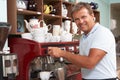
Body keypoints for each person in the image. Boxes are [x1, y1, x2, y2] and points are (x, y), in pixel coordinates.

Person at [48, 2, 117, 80]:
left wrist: (62, 53)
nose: (80, 21)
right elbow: (88, 63)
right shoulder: (83, 37)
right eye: (76, 19)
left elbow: (89, 63)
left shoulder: (102, 33)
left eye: (83, 17)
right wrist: (76, 67)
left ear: (92, 16)